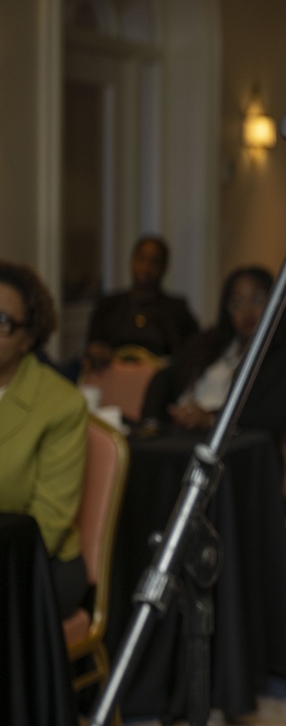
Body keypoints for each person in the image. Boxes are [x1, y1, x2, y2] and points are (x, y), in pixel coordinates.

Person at [0, 261, 89, 619]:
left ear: (29, 337)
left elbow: (48, 522)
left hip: (35, 565)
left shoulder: (61, 405)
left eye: (2, 321)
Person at [142, 265, 286, 442]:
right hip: (178, 437)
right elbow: (164, 378)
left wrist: (211, 419)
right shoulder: (208, 344)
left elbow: (270, 417)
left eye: (257, 299)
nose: (247, 311)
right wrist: (154, 423)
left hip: (236, 449)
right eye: (237, 303)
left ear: (274, 303)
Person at [84, 234, 199, 371]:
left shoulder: (177, 310)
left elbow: (194, 352)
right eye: (142, 259)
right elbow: (91, 347)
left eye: (155, 262)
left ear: (164, 267)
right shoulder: (108, 306)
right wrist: (97, 352)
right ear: (132, 260)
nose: (146, 267)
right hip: (113, 379)